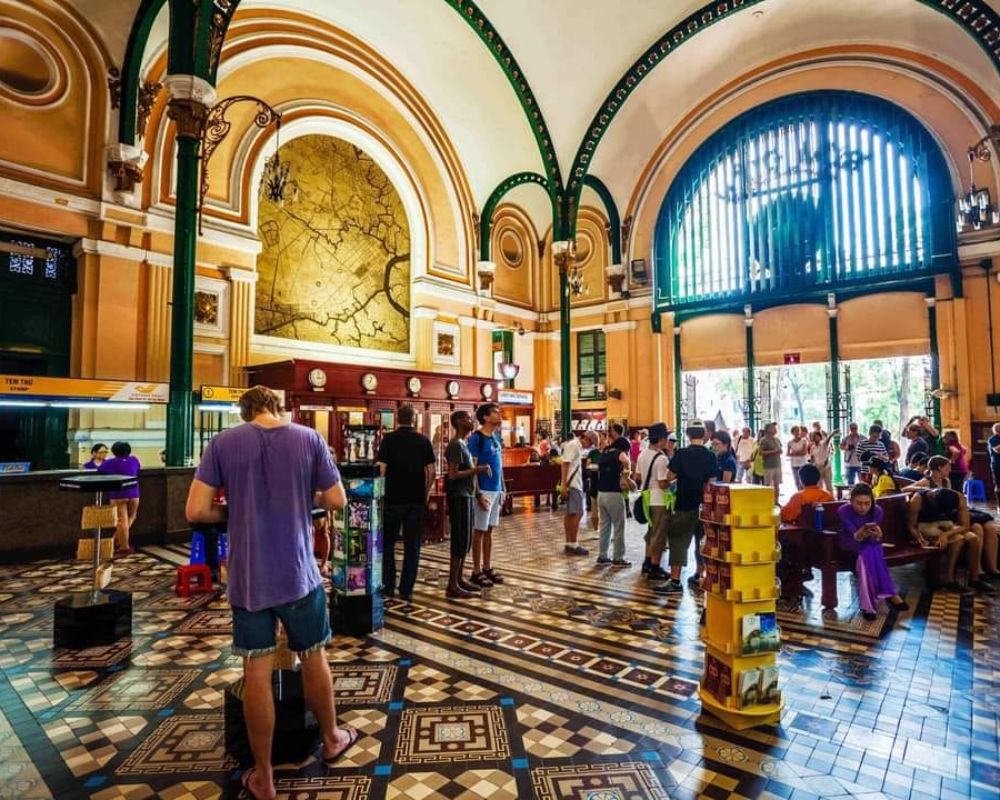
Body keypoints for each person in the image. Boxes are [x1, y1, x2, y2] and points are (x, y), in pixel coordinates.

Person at [185, 386, 357, 800]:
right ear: (279, 408)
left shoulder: (223, 443)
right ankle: (332, 738)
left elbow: (195, 510)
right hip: (298, 573)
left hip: (248, 577)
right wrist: (302, 497)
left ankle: (263, 776)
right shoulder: (308, 438)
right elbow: (336, 498)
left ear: (245, 413)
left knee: (256, 672)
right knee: (314, 656)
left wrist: (237, 509)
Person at [376, 404, 436, 603]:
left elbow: (381, 469)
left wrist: (380, 494)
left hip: (392, 500)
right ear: (415, 419)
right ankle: (406, 588)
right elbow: (431, 472)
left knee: (388, 544)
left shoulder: (388, 440)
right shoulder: (423, 441)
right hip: (415, 501)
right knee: (413, 545)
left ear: (397, 419)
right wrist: (426, 493)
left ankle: (388, 585)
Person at [653, 421, 717, 595]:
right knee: (702, 543)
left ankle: (675, 581)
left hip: (684, 504)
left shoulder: (681, 454)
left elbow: (670, 475)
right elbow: (712, 481)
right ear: (704, 434)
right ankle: (699, 574)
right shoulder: (710, 455)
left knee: (679, 542)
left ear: (688, 434)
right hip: (704, 507)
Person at [837, 484, 909, 620]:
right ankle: (891, 594)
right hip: (849, 542)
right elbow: (854, 535)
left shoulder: (877, 511)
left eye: (867, 503)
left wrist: (878, 534)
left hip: (869, 544)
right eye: (858, 503)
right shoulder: (843, 511)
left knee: (869, 554)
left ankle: (867, 606)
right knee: (870, 553)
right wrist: (861, 534)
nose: (863, 507)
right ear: (851, 501)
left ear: (872, 501)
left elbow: (876, 536)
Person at [907, 487, 994, 593]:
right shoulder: (918, 499)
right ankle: (949, 579)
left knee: (972, 538)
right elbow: (912, 526)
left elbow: (965, 525)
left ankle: (974, 579)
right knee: (958, 539)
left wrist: (946, 535)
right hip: (925, 525)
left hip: (946, 524)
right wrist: (919, 539)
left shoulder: (959, 497)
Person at [444, 409, 491, 599]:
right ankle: (452, 585)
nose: (471, 420)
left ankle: (459, 579)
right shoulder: (456, 445)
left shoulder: (463, 444)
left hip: (467, 496)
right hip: (459, 497)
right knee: (459, 540)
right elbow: (453, 474)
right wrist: (477, 470)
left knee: (466, 540)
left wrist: (478, 493)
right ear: (458, 422)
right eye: (466, 418)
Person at [468, 403, 505, 587]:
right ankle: (475, 570)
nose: (499, 415)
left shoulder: (496, 438)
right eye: (495, 413)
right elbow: (472, 468)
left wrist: (503, 489)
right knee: (479, 531)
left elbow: (500, 466)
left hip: (496, 489)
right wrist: (478, 494)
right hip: (483, 490)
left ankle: (487, 566)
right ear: (485, 417)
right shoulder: (476, 439)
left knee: (489, 530)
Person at [636, 423, 671, 580]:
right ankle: (655, 567)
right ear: (661, 439)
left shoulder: (643, 454)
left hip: (646, 498)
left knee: (651, 532)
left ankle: (647, 562)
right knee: (659, 534)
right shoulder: (661, 458)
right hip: (659, 500)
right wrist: (674, 479)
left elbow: (637, 477)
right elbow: (663, 483)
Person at [98, 441, 141, 557]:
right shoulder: (134, 460)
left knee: (122, 521)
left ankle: (124, 546)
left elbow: (100, 471)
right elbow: (138, 470)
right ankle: (117, 541)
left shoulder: (110, 462)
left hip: (118, 494)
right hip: (134, 492)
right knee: (131, 517)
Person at [595, 434, 632, 567]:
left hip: (601, 493)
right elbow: (625, 461)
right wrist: (627, 472)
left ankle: (603, 555)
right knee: (618, 525)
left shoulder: (604, 452)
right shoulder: (619, 453)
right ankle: (618, 557)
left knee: (604, 526)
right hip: (614, 493)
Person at [559, 431, 589, 556]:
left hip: (572, 484)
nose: (589, 445)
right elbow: (565, 464)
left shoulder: (575, 446)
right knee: (577, 513)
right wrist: (564, 485)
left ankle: (570, 542)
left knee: (571, 514)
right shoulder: (574, 445)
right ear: (585, 438)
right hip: (573, 484)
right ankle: (573, 543)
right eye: (590, 442)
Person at [808, 428, 837, 493]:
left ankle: (831, 499)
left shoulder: (823, 444)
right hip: (817, 467)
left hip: (826, 467)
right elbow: (812, 457)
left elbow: (828, 440)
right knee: (819, 485)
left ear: (820, 437)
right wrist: (812, 466)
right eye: (813, 436)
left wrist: (832, 434)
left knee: (828, 484)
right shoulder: (812, 447)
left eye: (816, 436)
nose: (815, 438)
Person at [758, 422, 782, 498]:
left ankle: (776, 501)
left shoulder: (777, 439)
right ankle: (768, 500)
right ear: (768, 430)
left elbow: (780, 450)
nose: (775, 429)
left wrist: (779, 451)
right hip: (768, 466)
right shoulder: (764, 440)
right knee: (768, 484)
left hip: (777, 464)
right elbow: (761, 453)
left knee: (777, 484)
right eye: (773, 428)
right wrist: (773, 451)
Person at [989, 422, 1000, 512]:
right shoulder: (993, 439)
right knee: (998, 485)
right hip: (997, 465)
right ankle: (999, 505)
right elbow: (997, 449)